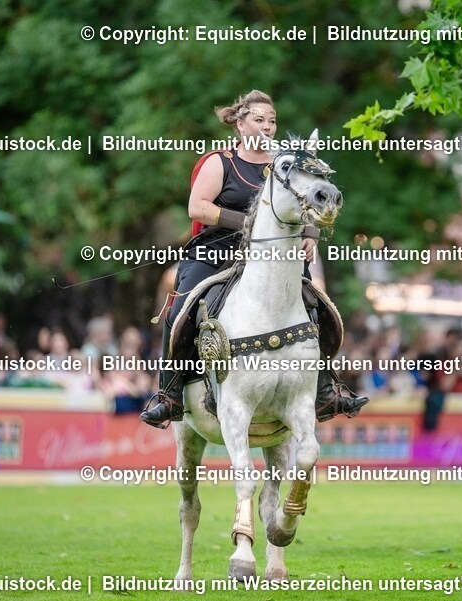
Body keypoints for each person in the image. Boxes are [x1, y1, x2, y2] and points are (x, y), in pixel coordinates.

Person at [141, 90, 368, 427]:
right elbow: (197, 207)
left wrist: (310, 234)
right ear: (240, 124)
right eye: (259, 119)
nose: (267, 126)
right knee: (180, 309)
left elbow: (304, 202)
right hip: (216, 251)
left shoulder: (287, 165)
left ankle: (325, 390)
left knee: (315, 305)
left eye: (272, 121)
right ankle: (169, 394)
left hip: (274, 255)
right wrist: (248, 221)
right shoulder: (220, 162)